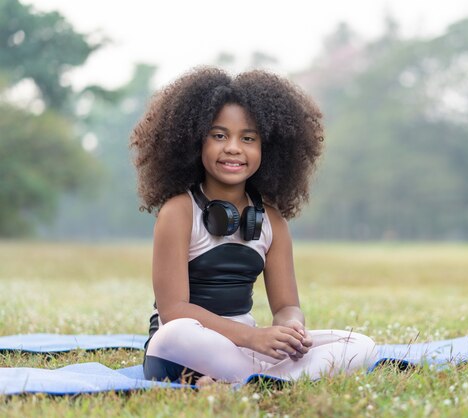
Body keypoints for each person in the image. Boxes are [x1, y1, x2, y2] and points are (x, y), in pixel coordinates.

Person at [130, 67, 376, 384]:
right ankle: (265, 380)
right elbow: (173, 310)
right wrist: (252, 337)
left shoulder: (272, 221)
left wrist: (290, 329)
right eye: (219, 136)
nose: (233, 147)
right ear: (194, 142)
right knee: (175, 334)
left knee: (360, 346)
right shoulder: (178, 212)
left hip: (245, 349)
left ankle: (239, 380)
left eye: (248, 138)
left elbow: (287, 305)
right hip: (184, 347)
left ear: (268, 149)